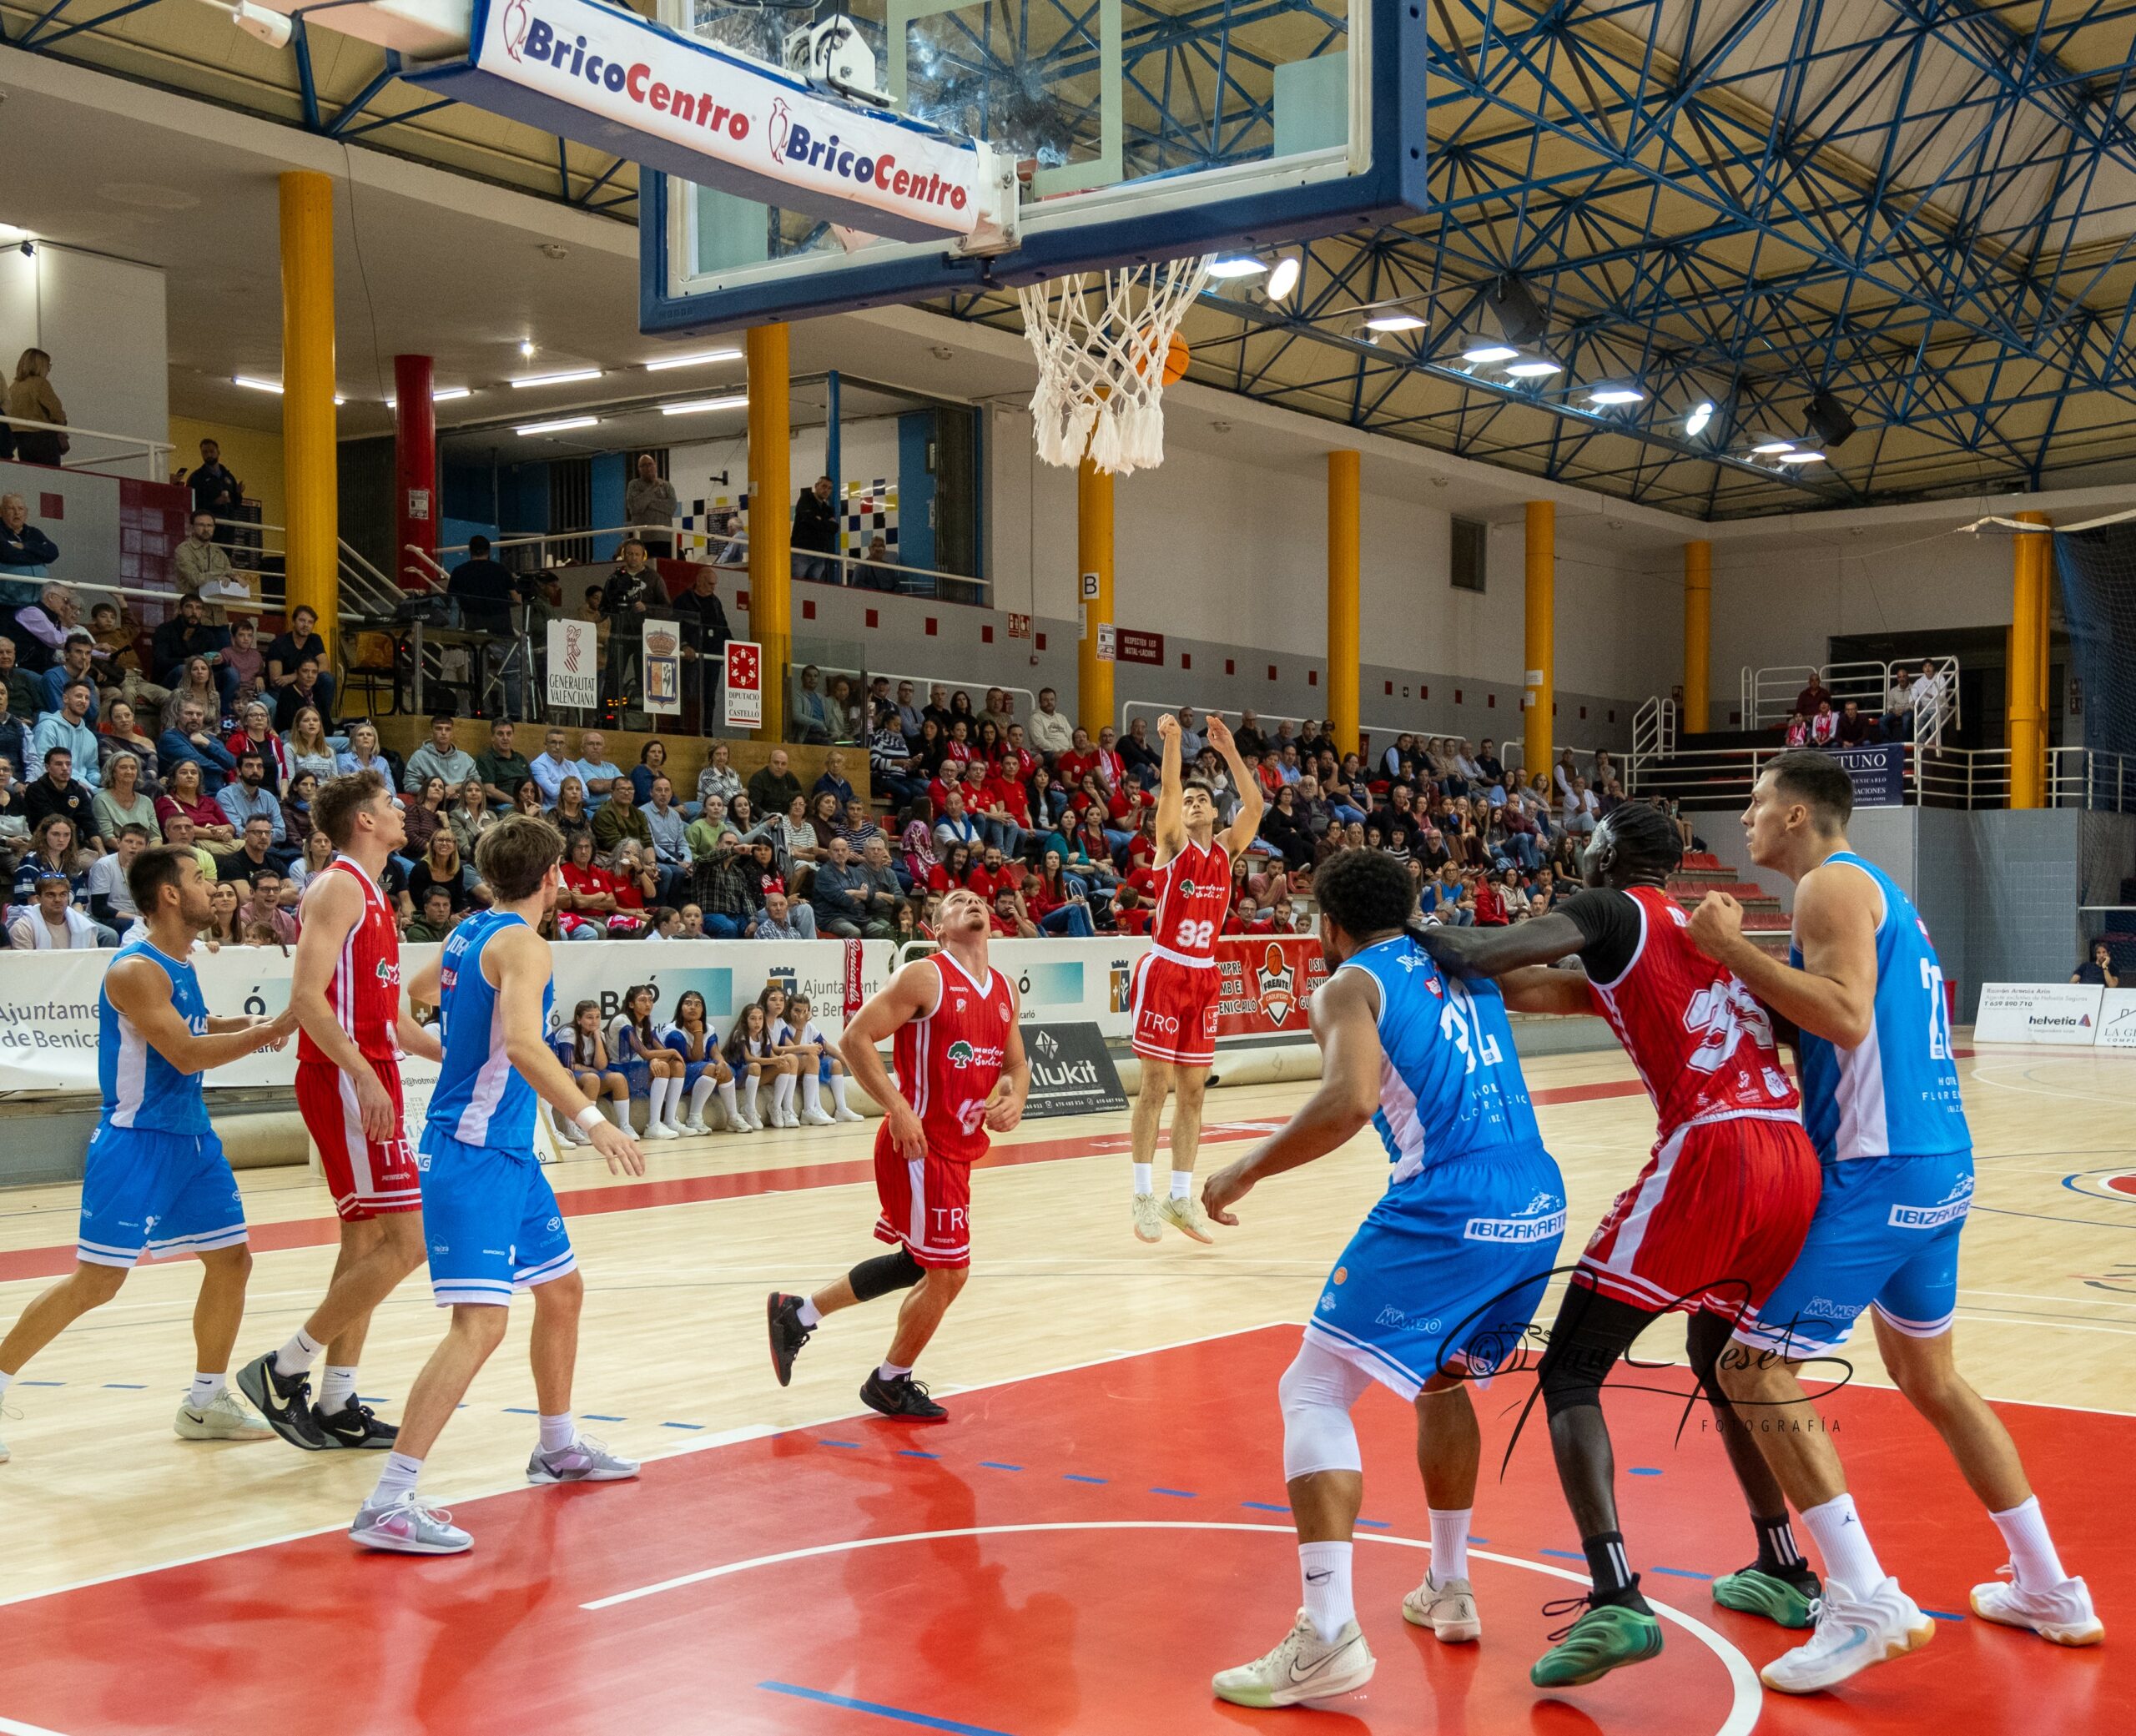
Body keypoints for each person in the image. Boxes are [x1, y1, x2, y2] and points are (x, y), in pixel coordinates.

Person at [1688, 752, 2101, 1680]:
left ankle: (1862, 1596)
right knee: (1932, 1377)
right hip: (1937, 1164)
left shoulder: (1828, 886)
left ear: (1796, 814)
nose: (1744, 819)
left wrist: (1730, 951)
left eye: (1754, 804)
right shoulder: (1879, 891)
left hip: (1879, 1168)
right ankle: (2048, 1585)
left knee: (1750, 1366)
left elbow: (1840, 1012)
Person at [1416, 802, 1823, 1688]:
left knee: (1569, 1370)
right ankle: (1784, 1564)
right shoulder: (1704, 929)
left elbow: (1484, 955)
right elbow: (1546, 987)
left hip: (1713, 1151)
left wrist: (1401, 927)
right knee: (1721, 1359)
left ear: (1607, 852)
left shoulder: (1611, 907)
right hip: (1791, 1156)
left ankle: (1615, 1595)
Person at [1200, 850, 1567, 1706]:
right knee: (1441, 1381)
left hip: (1450, 1199)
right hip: (1537, 1197)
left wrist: (1244, 1168)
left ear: (1326, 923)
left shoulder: (1348, 984)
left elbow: (1350, 1099)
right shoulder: (1458, 958)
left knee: (1313, 1385)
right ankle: (1447, 1583)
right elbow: (1574, 989)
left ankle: (1326, 1631)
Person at [347, 817, 645, 1554]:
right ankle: (387, 1501)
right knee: (480, 1324)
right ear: (553, 877)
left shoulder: (470, 932)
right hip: (475, 1153)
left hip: (508, 1153)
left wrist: (446, 1046)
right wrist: (590, 1119)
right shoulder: (525, 944)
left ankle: (556, 1446)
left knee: (563, 1289)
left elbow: (414, 995)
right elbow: (520, 1041)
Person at [0, 848, 296, 1461]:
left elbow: (195, 1025)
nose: (212, 891)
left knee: (232, 1262)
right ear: (167, 894)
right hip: (136, 1142)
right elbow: (183, 1053)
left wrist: (235, 1022)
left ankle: (204, 1400)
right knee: (98, 1282)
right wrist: (267, 1031)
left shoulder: (180, 962)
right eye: (198, 879)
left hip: (192, 1139)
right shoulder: (134, 968)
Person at [237, 772, 450, 1442]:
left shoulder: (374, 894)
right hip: (341, 1075)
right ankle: (283, 1368)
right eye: (390, 804)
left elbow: (390, 1020)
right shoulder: (335, 886)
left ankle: (336, 1400)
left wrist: (465, 1057)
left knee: (364, 1243)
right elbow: (306, 996)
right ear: (363, 820)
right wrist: (361, 1074)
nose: (401, 811)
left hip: (365, 1067)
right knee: (409, 1242)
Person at [765, 887, 1028, 1422]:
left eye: (978, 898)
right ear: (937, 928)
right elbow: (857, 1038)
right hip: (918, 1146)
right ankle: (889, 1382)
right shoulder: (925, 976)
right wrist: (899, 1108)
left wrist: (1016, 1097)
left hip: (958, 1149)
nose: (973, 903)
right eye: (957, 900)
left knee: (919, 1263)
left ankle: (798, 1313)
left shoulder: (1003, 989)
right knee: (950, 1273)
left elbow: (1016, 1064)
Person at [1127, 712, 1263, 1244]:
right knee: (1154, 1088)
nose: (1194, 803)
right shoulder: (1171, 846)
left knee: (1193, 1094)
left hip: (1204, 976)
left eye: (1202, 799)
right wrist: (1175, 741)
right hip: (1164, 968)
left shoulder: (1227, 850)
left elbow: (1254, 806)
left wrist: (1230, 751)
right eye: (1188, 801)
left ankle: (1178, 1196)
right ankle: (1142, 1193)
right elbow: (1167, 785)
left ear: (1214, 810)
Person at [663, 990, 742, 1136]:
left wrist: (721, 1062)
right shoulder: (673, 1031)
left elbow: (716, 1052)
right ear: (680, 1008)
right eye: (688, 1003)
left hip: (702, 1072)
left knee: (724, 1068)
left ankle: (733, 1117)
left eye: (697, 1004)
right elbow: (696, 1058)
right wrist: (698, 1032)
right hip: (680, 1075)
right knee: (711, 1068)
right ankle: (694, 1117)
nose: (693, 1007)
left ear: (703, 1009)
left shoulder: (709, 1028)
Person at [4, 350, 66, 465]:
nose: (48, 369)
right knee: (51, 475)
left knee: (32, 475)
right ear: (40, 365)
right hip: (43, 438)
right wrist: (62, 421)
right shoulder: (40, 384)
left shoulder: (14, 386)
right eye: (48, 365)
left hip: (20, 439)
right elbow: (55, 410)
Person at [446, 536, 517, 634]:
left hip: (474, 627)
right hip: (501, 627)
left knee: (476, 648)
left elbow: (451, 601)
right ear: (488, 551)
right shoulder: (501, 569)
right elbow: (516, 598)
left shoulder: (459, 572)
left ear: (470, 551)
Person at [625, 453, 679, 557]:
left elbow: (672, 507)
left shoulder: (666, 486)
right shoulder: (634, 485)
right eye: (644, 465)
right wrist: (653, 487)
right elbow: (635, 507)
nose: (648, 468)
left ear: (655, 466)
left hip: (665, 538)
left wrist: (647, 502)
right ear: (639, 469)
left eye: (650, 464)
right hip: (643, 539)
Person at [791, 474, 838, 582]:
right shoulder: (806, 498)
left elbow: (835, 528)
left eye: (829, 488)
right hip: (801, 551)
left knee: (813, 588)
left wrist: (819, 520)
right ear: (816, 486)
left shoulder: (827, 509)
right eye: (824, 486)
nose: (826, 490)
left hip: (819, 553)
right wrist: (826, 524)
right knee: (796, 584)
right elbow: (809, 520)